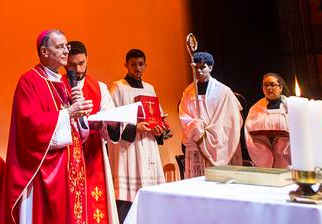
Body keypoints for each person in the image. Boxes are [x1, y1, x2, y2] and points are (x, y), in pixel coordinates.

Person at [0, 29, 94, 224]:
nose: (66, 51)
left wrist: (81, 114)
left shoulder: (65, 82)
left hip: (71, 168)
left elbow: (77, 132)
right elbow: (29, 127)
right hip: (46, 170)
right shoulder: (29, 81)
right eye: (60, 47)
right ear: (44, 52)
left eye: (66, 46)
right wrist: (68, 113)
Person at [108, 49, 170, 223]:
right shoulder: (118, 87)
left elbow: (158, 116)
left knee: (151, 197)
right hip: (128, 150)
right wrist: (135, 128)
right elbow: (111, 121)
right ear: (126, 65)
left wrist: (159, 130)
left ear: (145, 66)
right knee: (128, 199)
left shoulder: (150, 88)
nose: (137, 68)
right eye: (133, 64)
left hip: (148, 146)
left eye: (141, 64)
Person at [66, 40, 119, 224]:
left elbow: (109, 122)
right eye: (72, 65)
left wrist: (112, 124)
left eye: (81, 63)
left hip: (94, 154)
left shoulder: (100, 88)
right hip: (68, 156)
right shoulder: (58, 86)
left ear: (87, 59)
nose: (78, 69)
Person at [178, 51, 242, 179]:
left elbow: (232, 119)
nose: (199, 71)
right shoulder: (188, 92)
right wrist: (196, 126)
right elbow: (184, 116)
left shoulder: (223, 91)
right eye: (196, 68)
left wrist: (211, 131)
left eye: (202, 67)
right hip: (196, 140)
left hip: (219, 142)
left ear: (210, 68)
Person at [244, 73, 290, 168]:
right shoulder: (255, 109)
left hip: (287, 155)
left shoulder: (291, 107)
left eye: (272, 85)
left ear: (280, 87)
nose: (269, 88)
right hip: (263, 152)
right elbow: (249, 135)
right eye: (265, 85)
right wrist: (264, 153)